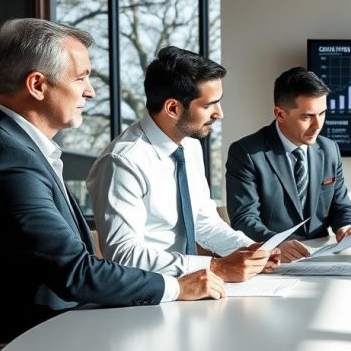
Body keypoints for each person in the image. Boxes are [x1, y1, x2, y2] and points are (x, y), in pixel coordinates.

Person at [0, 19, 224, 351]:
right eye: (81, 78)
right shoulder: (5, 162)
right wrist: (176, 286)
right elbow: (74, 271)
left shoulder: (19, 150)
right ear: (38, 85)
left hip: (63, 332)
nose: (90, 91)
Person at [87, 46, 277, 280]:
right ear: (173, 108)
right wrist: (213, 267)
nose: (219, 113)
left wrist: (251, 249)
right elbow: (123, 255)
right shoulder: (122, 162)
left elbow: (204, 223)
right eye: (208, 105)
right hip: (147, 295)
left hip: (190, 287)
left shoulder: (189, 147)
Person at [226, 67, 351, 262]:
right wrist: (275, 243)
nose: (318, 125)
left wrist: (347, 225)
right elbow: (244, 219)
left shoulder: (330, 149)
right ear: (280, 114)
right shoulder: (246, 153)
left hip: (322, 258)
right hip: (272, 262)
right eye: (307, 117)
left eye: (322, 113)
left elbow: (341, 206)